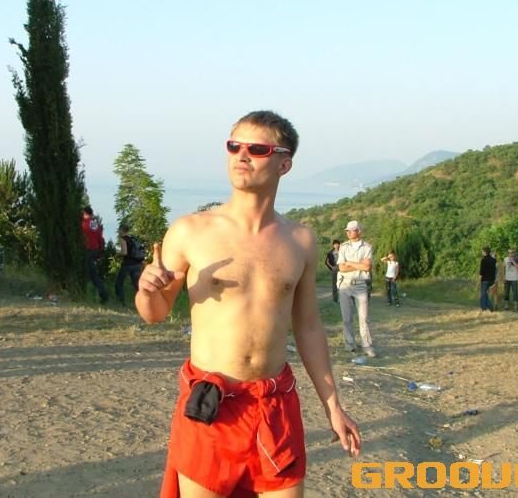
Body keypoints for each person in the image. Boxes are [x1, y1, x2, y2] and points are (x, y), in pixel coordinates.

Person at [136, 110, 360, 498]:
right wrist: (147, 290)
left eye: (257, 149)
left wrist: (333, 406)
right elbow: (154, 314)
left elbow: (308, 326)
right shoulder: (191, 230)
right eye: (234, 146)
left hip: (275, 407)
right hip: (211, 407)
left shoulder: (300, 241)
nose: (242, 155)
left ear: (284, 164)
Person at [337, 220, 375, 357]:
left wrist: (349, 263)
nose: (348, 232)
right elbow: (342, 268)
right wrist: (359, 264)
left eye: (351, 230)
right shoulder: (343, 247)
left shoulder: (367, 247)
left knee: (364, 318)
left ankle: (367, 346)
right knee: (346, 317)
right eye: (347, 230)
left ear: (359, 231)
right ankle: (350, 344)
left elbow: (367, 267)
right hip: (344, 285)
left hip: (360, 285)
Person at [81, 206, 108, 304]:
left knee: (91, 274)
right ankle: (101, 294)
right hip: (95, 250)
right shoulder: (95, 224)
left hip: (88, 250)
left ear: (84, 213)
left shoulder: (84, 223)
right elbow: (101, 238)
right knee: (92, 273)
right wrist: (100, 252)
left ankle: (103, 295)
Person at [114, 223, 144, 305]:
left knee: (119, 284)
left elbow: (124, 252)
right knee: (137, 285)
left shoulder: (123, 239)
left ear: (121, 230)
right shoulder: (133, 239)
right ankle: (143, 303)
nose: (118, 231)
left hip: (127, 265)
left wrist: (117, 254)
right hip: (137, 265)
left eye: (119, 230)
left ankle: (121, 302)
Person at [478, 246, 496, 313]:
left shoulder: (483, 260)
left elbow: (481, 272)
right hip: (492, 280)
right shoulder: (493, 260)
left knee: (483, 294)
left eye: (482, 251)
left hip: (485, 280)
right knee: (485, 294)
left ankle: (483, 308)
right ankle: (491, 308)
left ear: (485, 252)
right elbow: (494, 270)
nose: (482, 252)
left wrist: (479, 281)